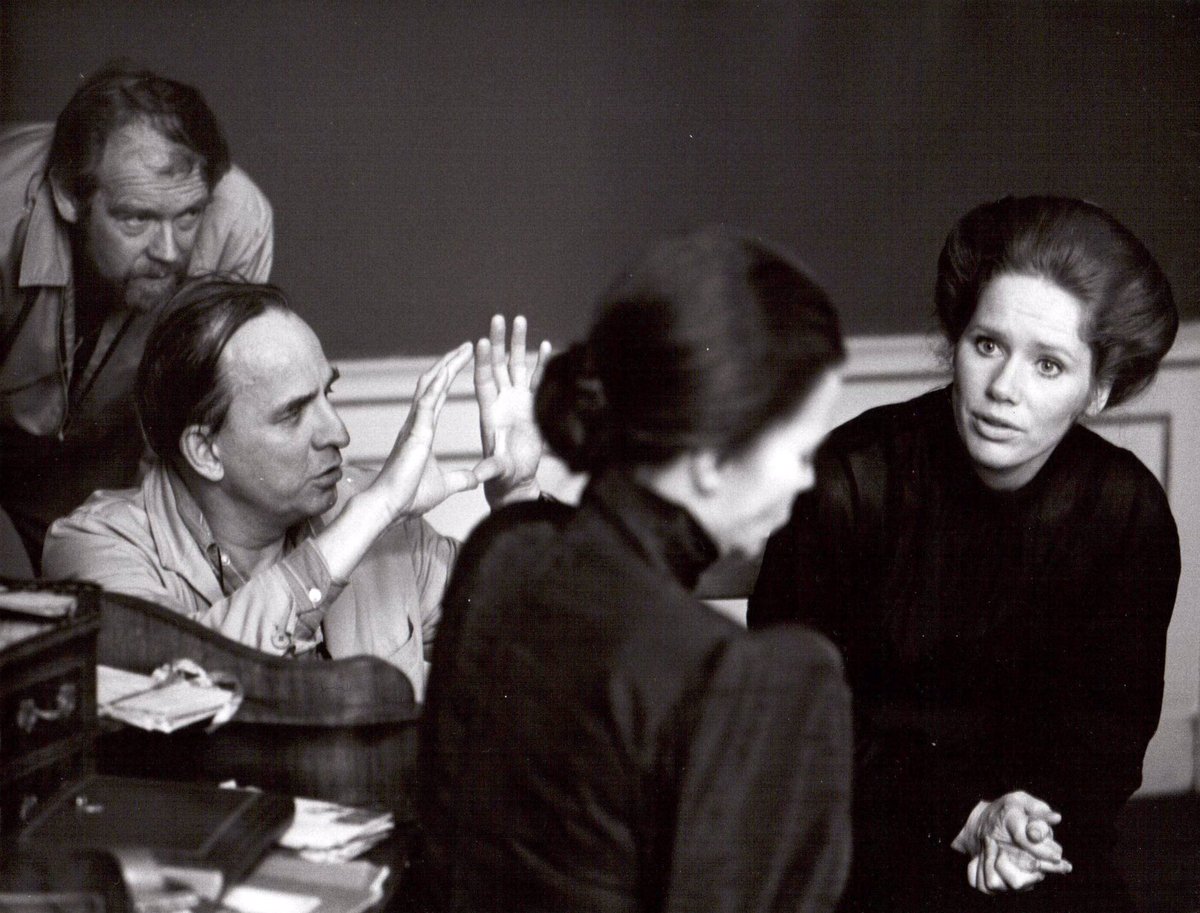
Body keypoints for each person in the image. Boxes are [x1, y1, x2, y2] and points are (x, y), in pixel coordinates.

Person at [750, 196, 1181, 912]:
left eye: (1048, 364)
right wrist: (965, 816)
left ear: (1098, 390)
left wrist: (1025, 827)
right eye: (988, 345)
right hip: (860, 829)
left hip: (1035, 839)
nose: (1003, 389)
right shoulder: (855, 474)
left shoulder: (1124, 509)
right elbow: (795, 718)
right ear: (956, 340)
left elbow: (1107, 737)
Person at [417, 227, 853, 912]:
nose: (806, 480)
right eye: (800, 448)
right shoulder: (754, 678)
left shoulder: (502, 550)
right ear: (710, 458)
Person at [42, 277, 547, 698]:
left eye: (328, 394)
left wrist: (517, 497)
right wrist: (372, 514)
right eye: (292, 413)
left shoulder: (372, 517)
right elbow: (189, 684)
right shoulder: (95, 548)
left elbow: (535, 634)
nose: (338, 433)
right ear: (205, 450)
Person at [0, 64, 273, 569]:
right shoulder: (3, 216)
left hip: (105, 455)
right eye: (136, 218)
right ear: (68, 194)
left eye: (188, 215)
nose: (169, 252)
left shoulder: (237, 219)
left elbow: (194, 420)